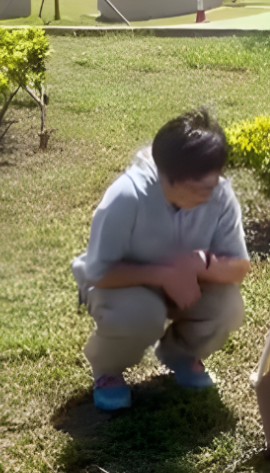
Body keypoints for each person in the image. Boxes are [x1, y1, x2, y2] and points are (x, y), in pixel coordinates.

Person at [71, 108, 250, 411]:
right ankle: (108, 368)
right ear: (164, 174)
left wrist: (200, 263)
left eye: (212, 181)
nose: (208, 192)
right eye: (196, 187)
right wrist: (164, 274)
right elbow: (99, 272)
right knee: (143, 314)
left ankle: (180, 354)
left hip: (184, 285)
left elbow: (239, 266)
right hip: (119, 286)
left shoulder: (218, 194)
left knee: (227, 307)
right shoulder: (126, 196)